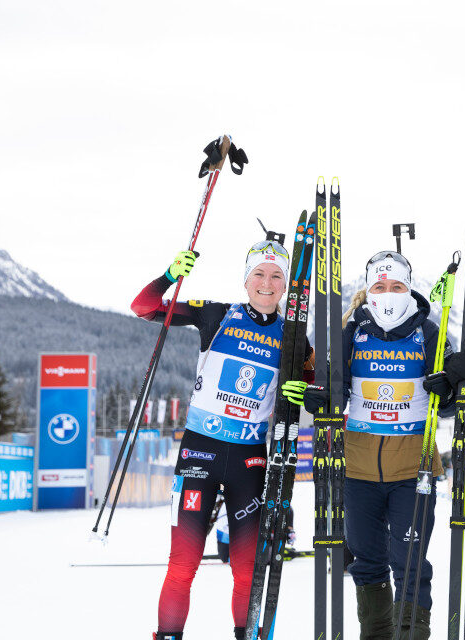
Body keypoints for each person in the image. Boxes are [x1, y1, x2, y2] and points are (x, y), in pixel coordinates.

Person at [284, 251, 465, 639]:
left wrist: (450, 387)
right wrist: (318, 397)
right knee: (367, 561)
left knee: (410, 562)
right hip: (358, 468)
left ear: (409, 288)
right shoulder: (351, 332)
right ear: (368, 290)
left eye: (396, 286)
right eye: (379, 286)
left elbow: (447, 405)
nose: (388, 293)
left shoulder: (428, 332)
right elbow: (334, 392)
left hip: (413, 466)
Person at [132, 238, 306, 640]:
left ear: (285, 286)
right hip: (200, 452)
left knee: (247, 571)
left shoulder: (294, 336)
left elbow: (314, 387)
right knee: (182, 565)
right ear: (246, 280)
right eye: (259, 274)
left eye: (276, 276)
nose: (267, 283)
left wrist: (305, 388)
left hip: (249, 461)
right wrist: (169, 276)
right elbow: (144, 307)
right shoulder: (216, 314)